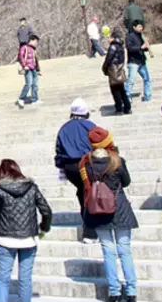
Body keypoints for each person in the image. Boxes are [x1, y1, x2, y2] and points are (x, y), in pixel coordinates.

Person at [79, 128, 138, 302]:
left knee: (108, 250)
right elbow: (126, 182)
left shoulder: (86, 164)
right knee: (124, 249)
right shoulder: (117, 161)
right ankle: (131, 289)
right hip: (119, 206)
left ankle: (114, 291)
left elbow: (86, 185)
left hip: (99, 209)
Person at [0, 159, 52, 302]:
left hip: (5, 239)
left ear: (2, 172)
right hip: (28, 239)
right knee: (25, 279)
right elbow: (46, 210)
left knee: (3, 278)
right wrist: (44, 228)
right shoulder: (32, 187)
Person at [54, 99, 97, 243]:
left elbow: (59, 150)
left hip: (70, 167)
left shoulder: (64, 128)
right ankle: (90, 232)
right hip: (87, 165)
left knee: (82, 193)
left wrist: (61, 168)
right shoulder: (89, 126)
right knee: (89, 195)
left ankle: (88, 225)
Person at [103, 30, 131, 115]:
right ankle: (127, 107)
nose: (108, 39)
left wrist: (104, 69)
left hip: (113, 70)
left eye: (109, 37)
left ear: (113, 38)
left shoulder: (113, 47)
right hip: (120, 69)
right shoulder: (121, 47)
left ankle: (119, 108)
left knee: (115, 91)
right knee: (122, 90)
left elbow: (108, 59)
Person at [125, 21, 152, 102]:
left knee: (147, 79)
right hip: (133, 62)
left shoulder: (141, 36)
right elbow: (130, 48)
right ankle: (127, 96)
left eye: (141, 27)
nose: (141, 28)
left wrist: (147, 47)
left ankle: (147, 96)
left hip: (141, 60)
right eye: (139, 27)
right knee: (131, 80)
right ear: (134, 27)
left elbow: (144, 48)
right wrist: (141, 47)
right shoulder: (129, 36)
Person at [17, 34, 40, 108]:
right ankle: (21, 98)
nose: (36, 43)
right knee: (28, 84)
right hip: (27, 68)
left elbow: (35, 60)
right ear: (31, 40)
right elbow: (21, 56)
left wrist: (38, 69)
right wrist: (24, 66)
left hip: (33, 68)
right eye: (36, 41)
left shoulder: (33, 49)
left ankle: (35, 99)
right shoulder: (24, 47)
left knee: (35, 84)